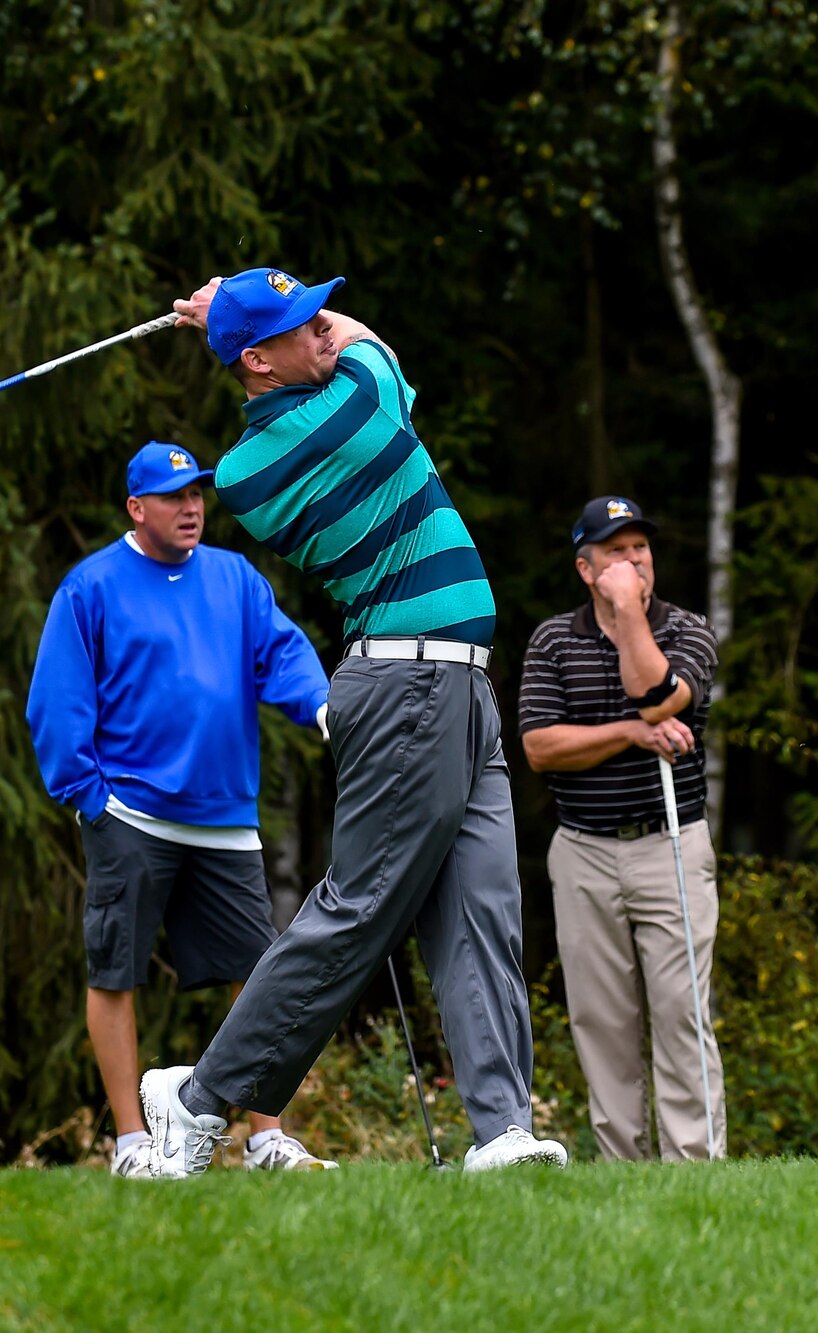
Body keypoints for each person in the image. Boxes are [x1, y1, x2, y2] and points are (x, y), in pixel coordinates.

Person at [136, 266, 568, 1176]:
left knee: (483, 910)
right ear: (257, 360)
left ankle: (501, 1132)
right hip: (407, 690)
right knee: (359, 909)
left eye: (312, 317)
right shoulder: (269, 458)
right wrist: (238, 309)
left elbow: (345, 346)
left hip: (461, 690)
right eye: (295, 327)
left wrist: (240, 311)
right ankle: (199, 1097)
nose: (317, 333)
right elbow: (371, 347)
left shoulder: (308, 411)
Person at [26, 442, 337, 1178]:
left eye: (197, 494)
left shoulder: (234, 578)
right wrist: (88, 796)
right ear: (137, 508)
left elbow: (283, 655)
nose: (192, 507)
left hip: (225, 816)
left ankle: (266, 1137)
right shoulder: (91, 585)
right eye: (174, 497)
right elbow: (58, 700)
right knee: (115, 972)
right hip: (130, 813)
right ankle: (133, 1144)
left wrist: (322, 705)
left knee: (260, 973)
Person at [517, 496, 726, 1161]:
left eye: (640, 548)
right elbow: (542, 747)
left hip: (671, 843)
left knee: (681, 1011)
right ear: (586, 568)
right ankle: (622, 1168)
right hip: (582, 850)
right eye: (616, 551)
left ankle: (694, 1166)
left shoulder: (688, 628)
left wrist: (631, 612)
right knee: (603, 1020)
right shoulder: (554, 639)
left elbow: (659, 695)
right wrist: (633, 734)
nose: (633, 560)